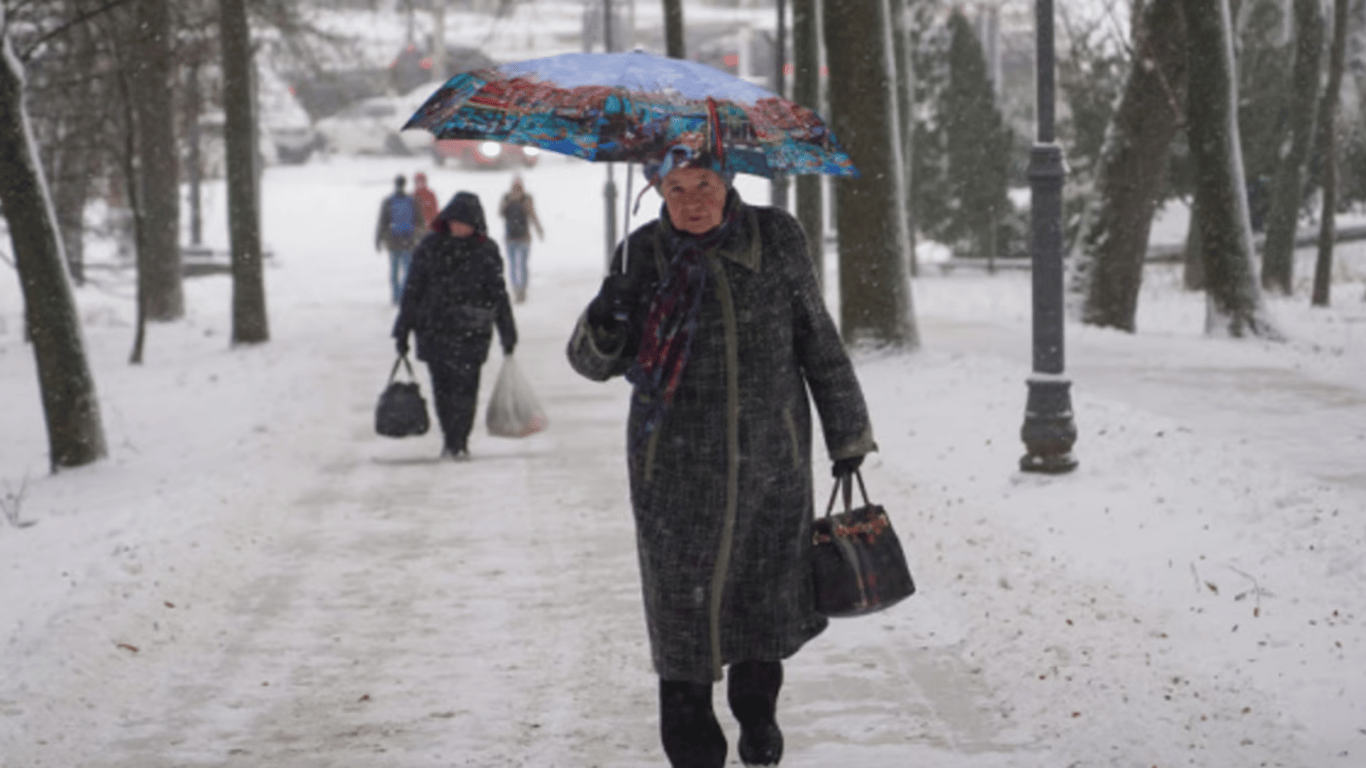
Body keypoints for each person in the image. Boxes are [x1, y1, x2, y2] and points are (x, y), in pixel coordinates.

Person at [565, 144, 877, 768]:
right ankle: (694, 752)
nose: (692, 203)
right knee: (683, 620)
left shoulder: (777, 238)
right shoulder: (641, 254)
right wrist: (609, 311)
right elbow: (593, 364)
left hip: (771, 466)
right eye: (674, 189)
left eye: (703, 184)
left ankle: (758, 719)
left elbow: (817, 336)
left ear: (728, 181)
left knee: (763, 610)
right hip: (672, 475)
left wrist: (848, 435)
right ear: (656, 189)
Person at [393, 191, 517, 460]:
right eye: (456, 222)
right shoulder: (430, 247)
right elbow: (412, 290)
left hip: (472, 333)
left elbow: (498, 294)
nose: (460, 227)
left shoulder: (486, 250)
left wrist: (507, 331)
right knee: (443, 389)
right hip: (436, 332)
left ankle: (461, 438)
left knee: (467, 389)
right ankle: (451, 438)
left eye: (466, 223)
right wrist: (402, 329)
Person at [497, 175, 544, 303]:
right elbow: (500, 213)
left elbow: (532, 214)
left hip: (523, 238)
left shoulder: (526, 199)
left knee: (522, 265)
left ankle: (521, 289)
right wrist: (509, 202)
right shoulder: (506, 198)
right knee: (513, 265)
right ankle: (517, 289)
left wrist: (539, 229)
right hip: (511, 238)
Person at [375, 174, 421, 305]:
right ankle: (405, 296)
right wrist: (419, 236)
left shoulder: (388, 201)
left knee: (394, 272)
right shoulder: (412, 201)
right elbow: (419, 221)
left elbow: (382, 221)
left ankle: (396, 297)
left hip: (393, 241)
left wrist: (378, 239)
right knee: (407, 271)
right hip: (408, 240)